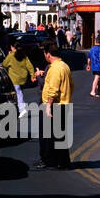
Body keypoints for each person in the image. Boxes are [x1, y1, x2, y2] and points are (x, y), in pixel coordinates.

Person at [33, 42, 73, 170]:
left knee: (46, 135)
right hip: (63, 103)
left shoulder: (55, 68)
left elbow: (53, 89)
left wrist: (48, 106)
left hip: (52, 104)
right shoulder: (64, 66)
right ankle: (62, 161)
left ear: (48, 54)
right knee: (60, 135)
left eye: (44, 53)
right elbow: (72, 85)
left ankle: (47, 160)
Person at [1, 38, 40, 112]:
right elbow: (30, 66)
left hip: (14, 78)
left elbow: (4, 64)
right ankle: (21, 106)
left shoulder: (11, 56)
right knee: (19, 92)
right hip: (23, 78)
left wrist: (8, 55)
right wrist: (32, 76)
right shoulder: (24, 55)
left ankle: (22, 108)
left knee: (18, 93)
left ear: (12, 47)